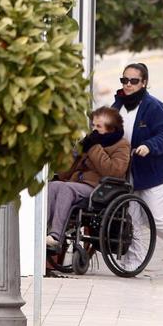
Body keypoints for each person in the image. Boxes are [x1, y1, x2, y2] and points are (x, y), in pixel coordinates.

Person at [113, 63, 163, 272]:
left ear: (144, 82)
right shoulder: (117, 105)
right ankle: (133, 261)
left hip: (154, 173)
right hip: (128, 172)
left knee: (156, 217)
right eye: (124, 80)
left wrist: (149, 146)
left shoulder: (154, 106)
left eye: (134, 81)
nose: (128, 85)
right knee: (132, 218)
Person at [45, 106, 131, 248]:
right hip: (77, 183)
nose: (95, 129)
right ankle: (42, 231)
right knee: (52, 186)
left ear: (111, 128)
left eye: (99, 126)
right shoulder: (89, 141)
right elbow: (62, 174)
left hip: (101, 189)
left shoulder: (121, 145)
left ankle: (55, 236)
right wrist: (75, 154)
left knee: (67, 189)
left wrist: (93, 148)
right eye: (93, 125)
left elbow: (114, 171)